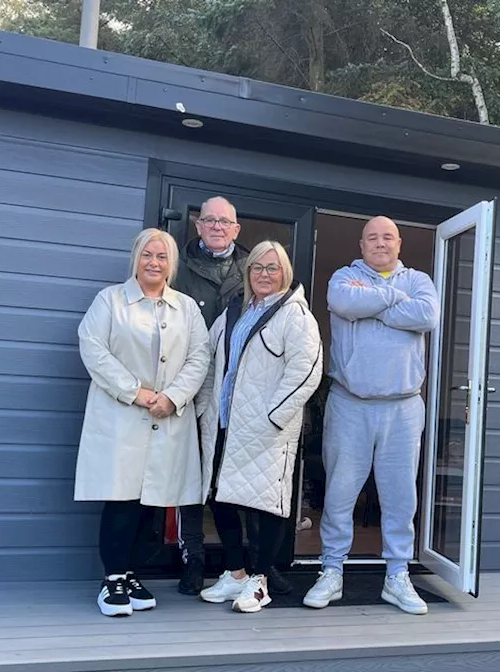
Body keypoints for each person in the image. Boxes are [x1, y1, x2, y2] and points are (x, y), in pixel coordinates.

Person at [302, 215, 440, 615]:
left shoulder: (418, 281)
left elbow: (427, 316)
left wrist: (377, 302)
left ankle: (397, 576)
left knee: (400, 497)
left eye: (388, 238)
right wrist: (395, 301)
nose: (380, 244)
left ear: (399, 244)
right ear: (361, 246)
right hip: (350, 404)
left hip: (403, 407)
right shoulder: (344, 278)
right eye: (372, 238)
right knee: (341, 493)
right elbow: (345, 303)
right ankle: (331, 571)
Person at [73, 227, 211, 618]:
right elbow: (93, 348)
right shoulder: (111, 301)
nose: (154, 263)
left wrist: (172, 397)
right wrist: (135, 391)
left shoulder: (185, 308)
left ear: (172, 264)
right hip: (122, 417)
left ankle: (131, 573)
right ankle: (113, 578)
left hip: (167, 418)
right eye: (148, 255)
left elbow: (200, 357)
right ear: (136, 258)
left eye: (162, 256)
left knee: (152, 504)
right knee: (121, 501)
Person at [171, 196, 294, 597]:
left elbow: (300, 365)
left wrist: (272, 414)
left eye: (225, 222)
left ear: (236, 229)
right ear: (198, 224)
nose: (217, 227)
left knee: (250, 491)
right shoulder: (179, 268)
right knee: (200, 485)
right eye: (209, 220)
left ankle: (256, 569)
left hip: (250, 409)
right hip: (196, 392)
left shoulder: (258, 280)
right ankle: (198, 562)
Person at [194, 240, 323, 613]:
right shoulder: (235, 311)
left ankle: (260, 580)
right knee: (222, 499)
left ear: (285, 272)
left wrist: (274, 417)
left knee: (266, 507)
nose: (264, 274)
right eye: (257, 268)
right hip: (225, 424)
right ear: (248, 272)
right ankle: (235, 573)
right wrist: (205, 406)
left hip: (267, 430)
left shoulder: (295, 317)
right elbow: (210, 357)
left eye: (272, 268)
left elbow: (307, 370)